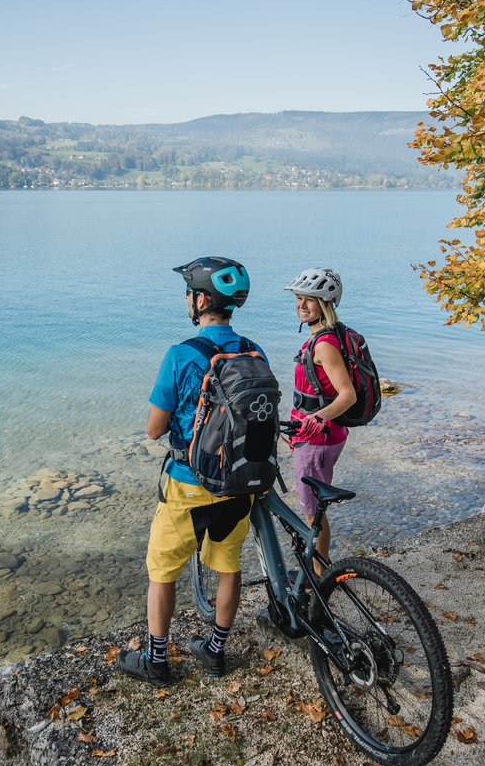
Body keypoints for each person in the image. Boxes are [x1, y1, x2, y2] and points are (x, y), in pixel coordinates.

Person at [117, 256, 267, 686]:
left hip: (189, 486)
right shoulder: (253, 350)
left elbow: (153, 430)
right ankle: (216, 651)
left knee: (161, 571)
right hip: (239, 483)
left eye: (188, 292)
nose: (187, 299)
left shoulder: (181, 355)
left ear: (201, 300)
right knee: (228, 565)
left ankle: (157, 661)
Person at [284, 268, 356, 575]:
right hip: (319, 436)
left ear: (325, 303)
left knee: (312, 513)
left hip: (320, 438)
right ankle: (319, 571)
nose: (302, 305)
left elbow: (347, 395)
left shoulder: (324, 344)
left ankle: (318, 577)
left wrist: (315, 418)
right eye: (299, 299)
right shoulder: (326, 336)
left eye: (309, 300)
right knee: (315, 508)